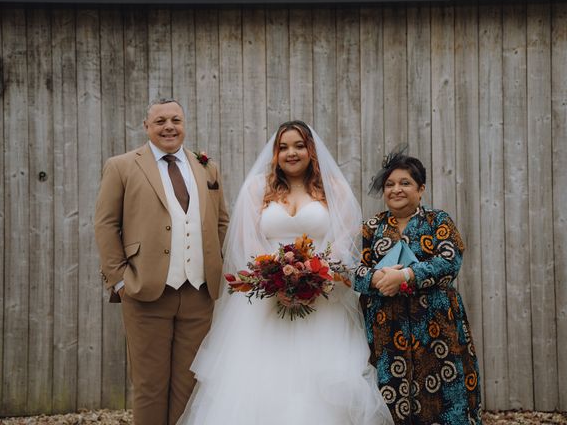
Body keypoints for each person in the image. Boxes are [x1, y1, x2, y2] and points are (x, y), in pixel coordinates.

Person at [178, 120, 392, 424]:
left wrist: (315, 277)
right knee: (258, 379)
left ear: (311, 150)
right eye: (284, 147)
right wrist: (271, 279)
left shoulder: (333, 189)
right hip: (266, 299)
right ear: (275, 153)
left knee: (317, 380)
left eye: (299, 145)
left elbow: (344, 242)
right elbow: (246, 241)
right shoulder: (257, 188)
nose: (291, 153)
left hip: (322, 300)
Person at [94, 98, 229, 425]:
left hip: (199, 293)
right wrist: (121, 280)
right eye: (160, 121)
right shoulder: (123, 165)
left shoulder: (206, 166)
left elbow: (221, 221)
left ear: (184, 124)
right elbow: (106, 224)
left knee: (189, 385)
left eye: (176, 120)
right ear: (147, 126)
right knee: (151, 385)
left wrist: (209, 262)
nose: (169, 127)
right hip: (145, 292)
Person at [354, 149, 482, 424]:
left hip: (436, 326)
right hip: (387, 328)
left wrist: (407, 276)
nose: (396, 189)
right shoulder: (371, 228)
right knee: (390, 397)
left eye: (405, 183)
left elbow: (450, 260)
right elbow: (353, 271)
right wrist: (376, 279)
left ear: (421, 189)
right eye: (390, 184)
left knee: (445, 396)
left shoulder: (438, 221)